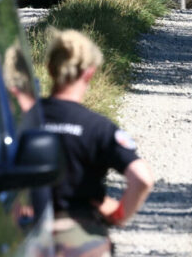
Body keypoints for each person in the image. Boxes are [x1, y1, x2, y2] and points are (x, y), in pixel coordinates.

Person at [20, 29, 155, 257]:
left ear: (50, 69)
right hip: (81, 238)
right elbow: (142, 179)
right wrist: (120, 214)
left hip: (27, 234)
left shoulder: (23, 120)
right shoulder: (98, 127)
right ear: (89, 73)